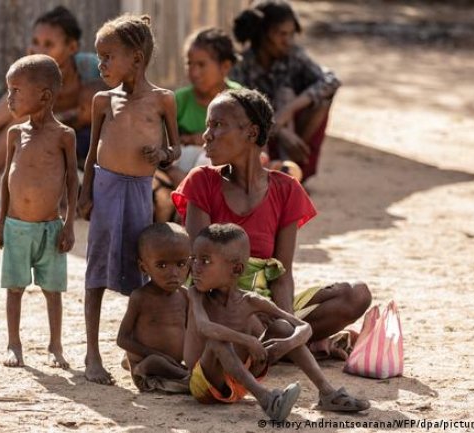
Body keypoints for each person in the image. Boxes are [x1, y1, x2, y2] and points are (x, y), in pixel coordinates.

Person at [173, 88, 371, 358]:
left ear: (251, 133)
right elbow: (202, 267)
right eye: (208, 125)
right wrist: (251, 311)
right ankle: (285, 346)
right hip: (217, 305)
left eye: (217, 125)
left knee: (356, 295)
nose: (207, 135)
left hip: (266, 307)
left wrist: (287, 325)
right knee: (251, 325)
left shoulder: (285, 188)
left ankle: (279, 345)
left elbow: (281, 273)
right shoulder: (201, 181)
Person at [78, 14, 180, 385]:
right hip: (106, 189)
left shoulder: (162, 100)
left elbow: (176, 149)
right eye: (99, 57)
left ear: (136, 59)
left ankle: (135, 352)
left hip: (139, 191)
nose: (101, 65)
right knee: (96, 269)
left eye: (108, 57)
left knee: (140, 267)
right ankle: (92, 352)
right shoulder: (103, 101)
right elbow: (91, 154)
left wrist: (163, 155)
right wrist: (85, 191)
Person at [0, 6, 101, 224]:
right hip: (50, 148)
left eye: (48, 45)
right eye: (35, 42)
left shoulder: (91, 67)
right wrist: (29, 82)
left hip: (89, 150)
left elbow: (111, 107)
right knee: (20, 122)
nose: (38, 49)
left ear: (72, 47)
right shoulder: (31, 72)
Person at [185, 224, 370, 419]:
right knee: (217, 342)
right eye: (194, 259)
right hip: (205, 382)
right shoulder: (196, 295)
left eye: (205, 261)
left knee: (282, 327)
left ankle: (327, 393)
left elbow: (303, 327)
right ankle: (266, 399)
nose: (195, 267)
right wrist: (247, 341)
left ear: (237, 269)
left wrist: (287, 344)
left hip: (241, 378)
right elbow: (205, 328)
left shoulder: (250, 300)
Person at [0, 54, 78, 369]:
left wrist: (69, 225)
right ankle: (14, 344)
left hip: (50, 229)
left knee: (52, 291)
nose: (9, 98)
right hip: (16, 227)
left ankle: (55, 346)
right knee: (14, 289)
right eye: (8, 91)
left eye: (15, 91)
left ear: (44, 96)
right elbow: (5, 181)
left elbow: (71, 181)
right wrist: (0, 223)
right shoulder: (15, 134)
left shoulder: (64, 135)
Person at [231, 0, 340, 182]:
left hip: (296, 140)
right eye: (281, 34)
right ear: (262, 34)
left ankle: (290, 168)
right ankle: (272, 169)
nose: (287, 41)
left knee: (295, 95)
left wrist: (288, 110)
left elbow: (331, 80)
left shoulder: (293, 56)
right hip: (261, 141)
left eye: (291, 34)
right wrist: (279, 129)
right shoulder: (241, 65)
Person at [153, 28, 243, 223]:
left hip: (225, 174)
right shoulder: (179, 99)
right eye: (189, 64)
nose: (194, 72)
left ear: (225, 66)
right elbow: (161, 142)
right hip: (178, 171)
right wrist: (172, 171)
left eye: (202, 65)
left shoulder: (240, 100)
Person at [116, 222, 190, 393]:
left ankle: (184, 374)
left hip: (176, 362)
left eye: (181, 264)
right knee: (156, 362)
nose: (173, 273)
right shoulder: (141, 298)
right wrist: (153, 353)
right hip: (148, 365)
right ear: (144, 267)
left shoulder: (185, 296)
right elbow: (122, 339)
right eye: (162, 265)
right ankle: (187, 377)